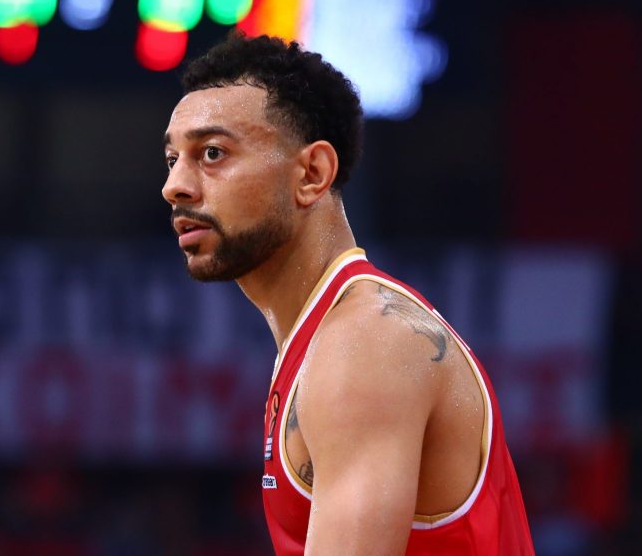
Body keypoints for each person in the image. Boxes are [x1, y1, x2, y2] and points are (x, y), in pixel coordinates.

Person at [161, 33, 534, 555]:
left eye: (212, 153)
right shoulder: (329, 337)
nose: (175, 186)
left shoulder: (366, 342)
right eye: (172, 159)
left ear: (312, 174)